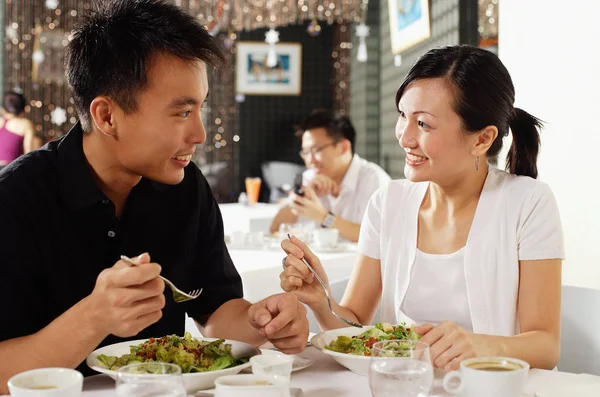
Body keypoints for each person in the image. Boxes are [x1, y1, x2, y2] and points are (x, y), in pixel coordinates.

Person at [0, 0, 308, 391]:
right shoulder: (16, 201)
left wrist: (260, 321)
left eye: (200, 109)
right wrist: (94, 317)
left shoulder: (186, 187)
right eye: (181, 113)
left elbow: (214, 310)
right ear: (107, 116)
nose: (198, 134)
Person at [280, 45, 564, 371]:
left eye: (424, 124)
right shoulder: (388, 203)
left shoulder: (528, 203)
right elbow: (357, 327)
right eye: (403, 116)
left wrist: (479, 346)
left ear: (482, 140)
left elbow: (545, 346)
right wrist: (323, 302)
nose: (405, 137)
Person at [270, 110, 391, 242]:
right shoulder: (311, 177)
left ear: (344, 147)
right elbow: (275, 229)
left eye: (316, 150)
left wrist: (324, 217)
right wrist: (301, 198)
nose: (310, 160)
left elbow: (379, 237)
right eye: (306, 153)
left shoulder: (375, 180)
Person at [0, 91, 40, 171]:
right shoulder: (25, 124)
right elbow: (28, 153)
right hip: (10, 171)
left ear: (3, 109)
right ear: (23, 110)